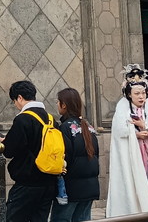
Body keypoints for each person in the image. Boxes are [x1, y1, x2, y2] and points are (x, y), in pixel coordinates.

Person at [106, 64, 148, 216]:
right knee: (135, 184)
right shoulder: (122, 107)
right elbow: (119, 132)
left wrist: (145, 126)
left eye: (143, 93)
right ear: (129, 94)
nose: (141, 96)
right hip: (133, 154)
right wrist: (135, 134)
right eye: (137, 93)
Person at [0, 80, 56, 222]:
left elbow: (9, 151)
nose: (15, 105)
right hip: (49, 181)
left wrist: (5, 142)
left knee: (13, 218)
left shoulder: (23, 119)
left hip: (28, 182)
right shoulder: (50, 119)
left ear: (19, 97)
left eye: (14, 101)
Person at [50, 88, 99, 222]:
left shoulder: (65, 128)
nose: (57, 105)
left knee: (61, 219)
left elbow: (64, 158)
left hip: (71, 188)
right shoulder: (89, 127)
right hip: (90, 187)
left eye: (58, 102)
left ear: (64, 105)